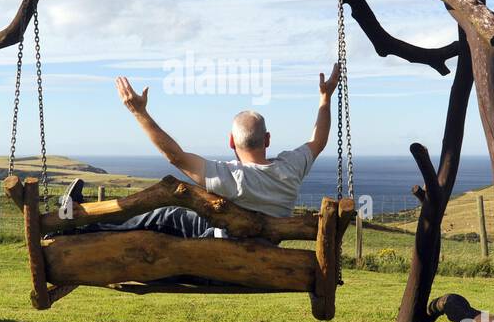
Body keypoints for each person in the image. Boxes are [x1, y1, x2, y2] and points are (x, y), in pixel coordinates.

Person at [62, 64, 341, 239]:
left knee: (163, 217)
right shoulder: (290, 168)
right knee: (171, 215)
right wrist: (325, 98)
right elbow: (318, 140)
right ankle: (82, 221)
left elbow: (175, 156)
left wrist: (139, 112)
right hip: (261, 245)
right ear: (267, 139)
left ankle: (80, 229)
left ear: (231, 142)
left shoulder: (233, 178)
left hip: (221, 248)